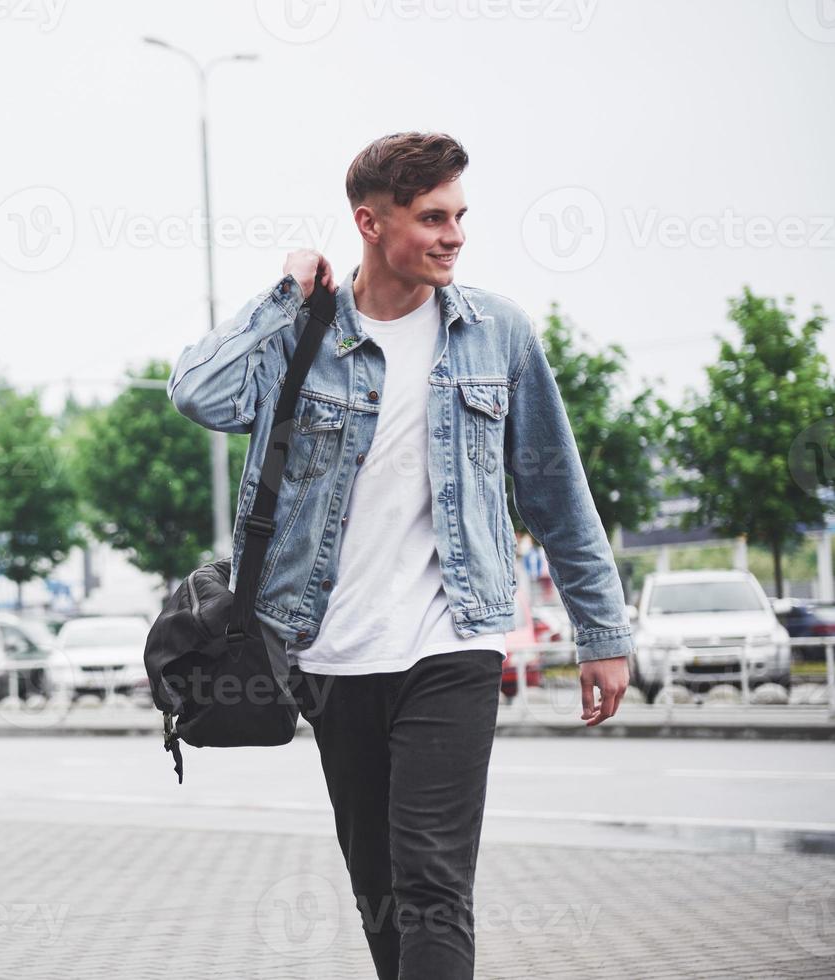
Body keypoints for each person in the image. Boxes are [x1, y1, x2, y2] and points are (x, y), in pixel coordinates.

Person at [167, 132, 632, 979]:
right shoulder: (303, 333)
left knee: (430, 880)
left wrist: (601, 630)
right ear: (369, 223)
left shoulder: (498, 335)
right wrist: (283, 291)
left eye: (459, 215)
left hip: (455, 639)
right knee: (379, 885)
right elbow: (196, 392)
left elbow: (557, 495)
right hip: (329, 651)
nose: (454, 234)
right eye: (431, 218)